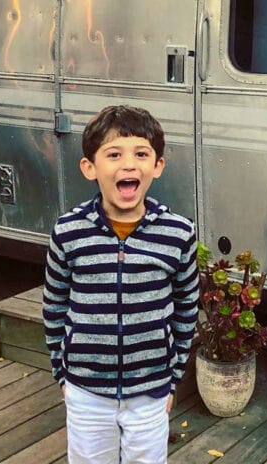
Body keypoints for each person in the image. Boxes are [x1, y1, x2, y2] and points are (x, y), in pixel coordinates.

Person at [43, 105, 199, 464]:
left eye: (141, 154)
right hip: (85, 390)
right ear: (89, 167)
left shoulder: (178, 233)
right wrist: (62, 374)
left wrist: (172, 378)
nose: (128, 165)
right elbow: (53, 305)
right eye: (113, 154)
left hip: (151, 391)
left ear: (157, 166)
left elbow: (187, 308)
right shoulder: (69, 232)